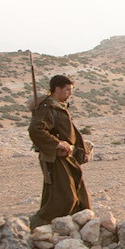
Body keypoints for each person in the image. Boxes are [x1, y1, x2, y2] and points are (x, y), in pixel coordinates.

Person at [28, 75, 91, 228]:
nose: (70, 93)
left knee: (75, 194)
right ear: (57, 89)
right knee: (65, 197)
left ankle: (75, 227)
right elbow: (35, 130)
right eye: (67, 90)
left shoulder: (58, 106)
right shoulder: (47, 108)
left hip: (67, 158)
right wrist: (57, 144)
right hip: (55, 158)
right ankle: (39, 225)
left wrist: (82, 151)